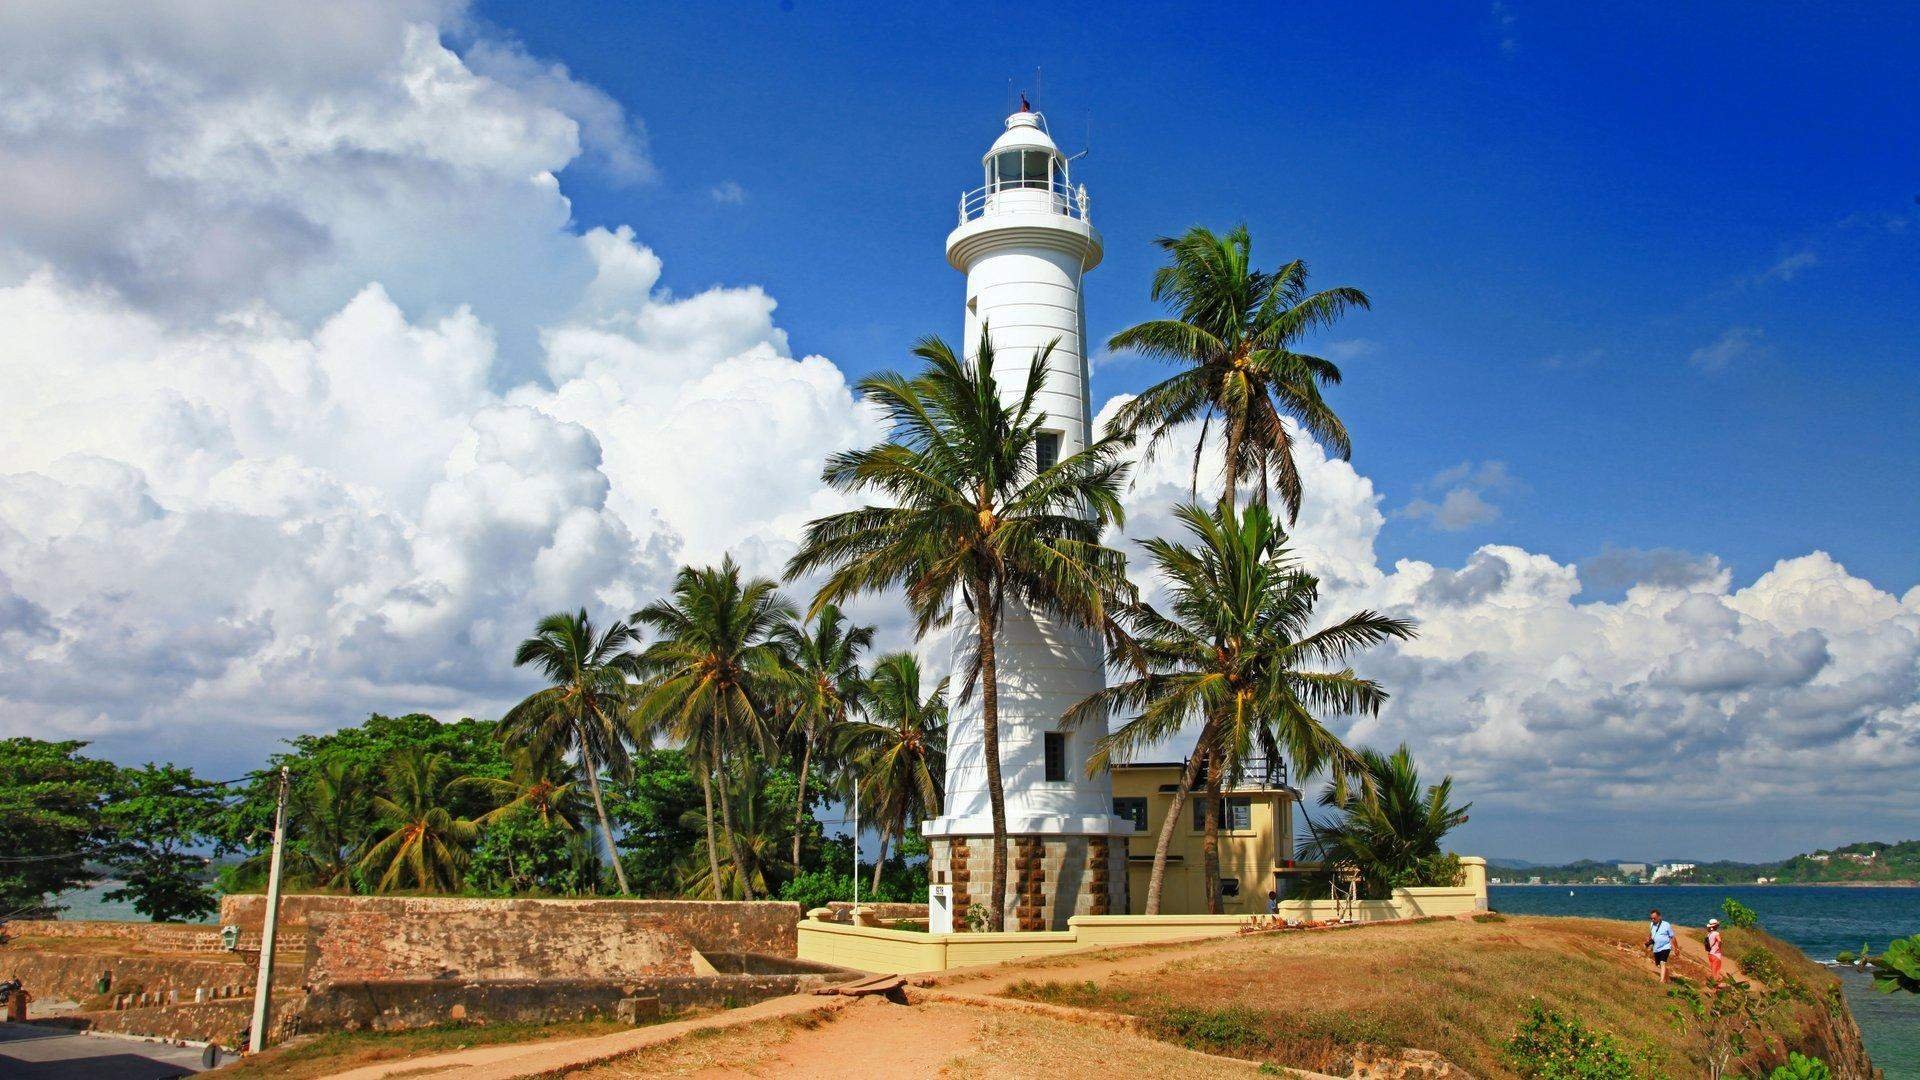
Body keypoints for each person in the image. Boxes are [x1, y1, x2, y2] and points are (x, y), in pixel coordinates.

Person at [1647, 909, 1677, 983]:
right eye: (1651, 918)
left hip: (1665, 947)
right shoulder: (1651, 924)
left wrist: (1676, 948)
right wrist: (1649, 941)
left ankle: (1662, 980)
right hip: (1656, 948)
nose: (1653, 920)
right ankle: (1668, 979)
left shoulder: (1666, 925)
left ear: (1659, 917)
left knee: (1662, 962)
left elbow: (1672, 937)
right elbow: (1651, 934)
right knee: (1659, 965)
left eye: (1654, 918)